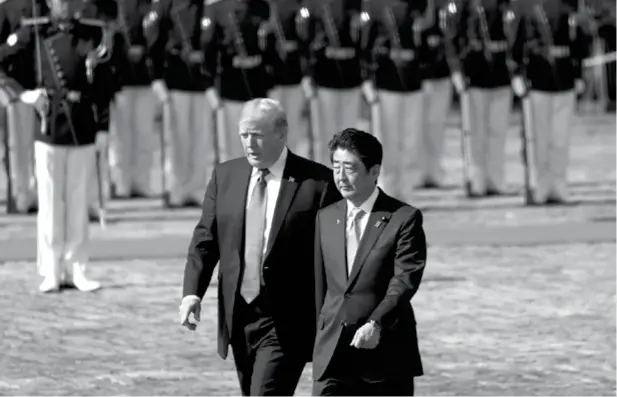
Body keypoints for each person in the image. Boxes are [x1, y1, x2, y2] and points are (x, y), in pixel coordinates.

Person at [179, 98, 341, 395]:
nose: (249, 144)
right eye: (244, 135)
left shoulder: (317, 183)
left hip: (286, 320)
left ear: (282, 133)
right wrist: (192, 293)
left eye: (258, 135)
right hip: (239, 315)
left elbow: (336, 257)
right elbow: (206, 240)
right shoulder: (226, 176)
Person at [0, 0, 120, 292]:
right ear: (50, 3)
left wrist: (103, 127)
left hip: (82, 126)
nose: (65, 6)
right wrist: (25, 96)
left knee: (78, 201)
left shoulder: (92, 35)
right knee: (51, 202)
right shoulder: (36, 33)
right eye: (59, 0)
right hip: (50, 124)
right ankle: (51, 268)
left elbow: (103, 85)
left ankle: (77, 267)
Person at [313, 128, 427, 396]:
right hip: (332, 356)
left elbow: (404, 281)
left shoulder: (403, 218)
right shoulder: (326, 217)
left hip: (384, 353)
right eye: (335, 167)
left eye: (349, 168)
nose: (340, 177)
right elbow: (320, 285)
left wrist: (376, 323)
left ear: (374, 172)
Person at [511, 0, 590, 204]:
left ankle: (558, 184)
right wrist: (518, 74)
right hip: (539, 81)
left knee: (560, 139)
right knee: (539, 139)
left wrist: (579, 74)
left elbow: (579, 46)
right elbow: (518, 45)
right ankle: (540, 186)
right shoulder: (530, 13)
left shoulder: (569, 12)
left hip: (564, 80)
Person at [144, 0, 217, 207]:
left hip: (202, 83)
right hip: (176, 79)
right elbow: (155, 42)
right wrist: (156, 77)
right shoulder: (166, 5)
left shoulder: (207, 6)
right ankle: (176, 188)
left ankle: (196, 188)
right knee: (177, 139)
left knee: (201, 140)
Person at [360, 0, 429, 200]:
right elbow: (366, 52)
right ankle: (387, 186)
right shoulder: (377, 20)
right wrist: (368, 80)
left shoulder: (415, 21)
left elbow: (426, 54)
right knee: (387, 139)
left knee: (411, 139)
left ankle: (406, 188)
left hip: (412, 86)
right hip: (387, 86)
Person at [201, 0, 279, 162]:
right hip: (232, 85)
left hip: (258, 85)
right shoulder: (217, 8)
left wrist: (271, 83)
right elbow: (209, 48)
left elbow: (270, 46)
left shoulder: (262, 6)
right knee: (233, 146)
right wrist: (209, 85)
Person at [457, 0, 515, 197]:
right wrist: (459, 71)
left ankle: (496, 180)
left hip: (501, 78)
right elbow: (458, 43)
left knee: (498, 133)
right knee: (475, 134)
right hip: (476, 79)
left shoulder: (506, 13)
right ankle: (476, 180)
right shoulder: (468, 14)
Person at [299, 0, 364, 165]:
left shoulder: (355, 21)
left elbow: (363, 50)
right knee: (325, 131)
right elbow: (307, 50)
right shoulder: (316, 23)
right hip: (325, 84)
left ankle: (347, 167)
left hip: (351, 83)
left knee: (349, 131)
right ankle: (325, 169)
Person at [108, 0, 159, 199]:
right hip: (121, 81)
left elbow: (157, 37)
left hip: (145, 79)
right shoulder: (113, 5)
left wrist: (144, 50)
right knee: (121, 137)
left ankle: (142, 181)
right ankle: (121, 182)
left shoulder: (150, 5)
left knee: (144, 134)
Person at [0, 0, 40, 214]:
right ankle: (21, 195)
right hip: (17, 88)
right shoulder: (6, 9)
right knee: (19, 147)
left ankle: (39, 194)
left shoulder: (44, 6)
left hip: (43, 87)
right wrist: (14, 43)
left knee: (41, 148)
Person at [266, 0, 313, 160]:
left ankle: (292, 162)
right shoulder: (267, 8)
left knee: (293, 123)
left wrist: (295, 46)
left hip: (295, 77)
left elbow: (307, 41)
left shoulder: (300, 8)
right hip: (273, 80)